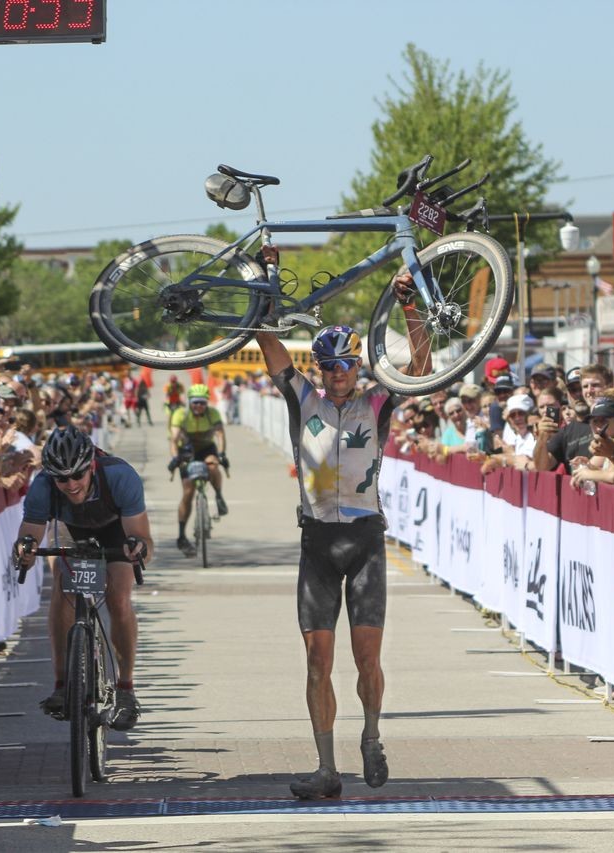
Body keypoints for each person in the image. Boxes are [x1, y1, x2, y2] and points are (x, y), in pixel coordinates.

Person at [255, 252, 431, 800]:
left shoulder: (377, 401)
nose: (335, 376)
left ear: (358, 365)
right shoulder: (300, 397)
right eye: (327, 367)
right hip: (317, 542)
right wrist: (264, 276)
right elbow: (265, 340)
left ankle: (372, 737)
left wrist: (409, 306)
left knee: (367, 658)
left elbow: (423, 367)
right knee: (317, 660)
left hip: (364, 541)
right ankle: (327, 768)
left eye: (344, 366)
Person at [13, 426, 152, 731]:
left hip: (115, 529)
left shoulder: (120, 476)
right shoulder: (44, 487)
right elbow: (30, 535)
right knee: (62, 590)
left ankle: (126, 689)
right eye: (62, 478)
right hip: (71, 529)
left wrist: (137, 549)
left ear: (91, 465)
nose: (71, 484)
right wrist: (25, 549)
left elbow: (143, 540)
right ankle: (63, 684)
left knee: (119, 597)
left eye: (77, 475)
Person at [168, 383, 229, 556]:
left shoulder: (213, 413)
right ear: (189, 402)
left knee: (213, 465)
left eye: (202, 403)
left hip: (207, 448)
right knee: (188, 493)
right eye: (195, 402)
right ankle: (181, 535)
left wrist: (222, 453)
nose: (199, 406)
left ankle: (218, 495)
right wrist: (174, 458)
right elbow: (174, 439)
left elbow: (220, 434)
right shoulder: (180, 414)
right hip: (186, 451)